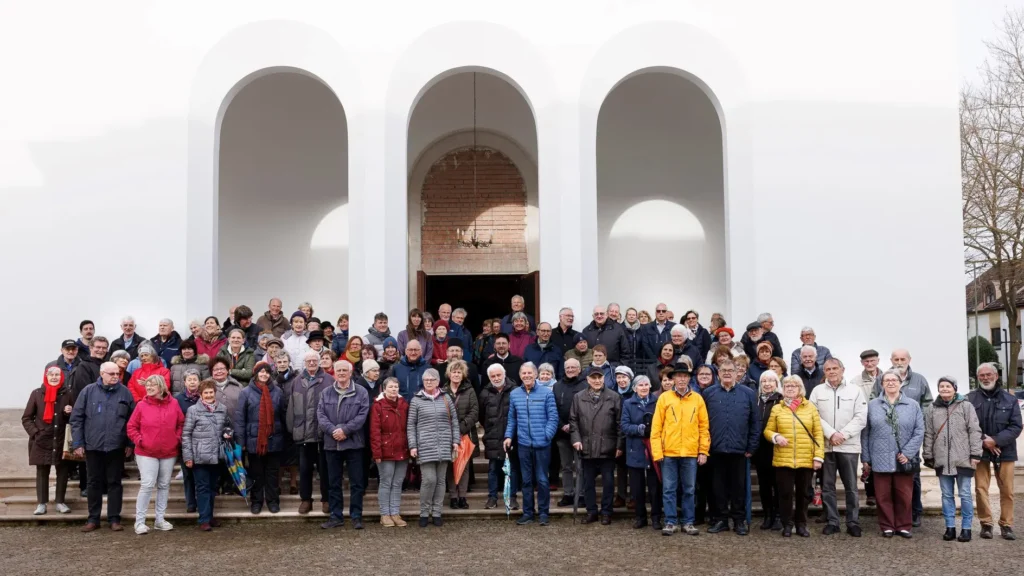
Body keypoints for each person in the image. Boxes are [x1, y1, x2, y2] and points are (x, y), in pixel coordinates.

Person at [70, 361, 136, 532]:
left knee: (115, 483)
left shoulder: (125, 393)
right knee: (93, 482)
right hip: (93, 446)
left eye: (118, 374)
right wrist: (78, 443)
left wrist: (130, 443)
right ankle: (93, 519)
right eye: (112, 374)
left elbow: (132, 421)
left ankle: (114, 518)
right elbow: (77, 418)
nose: (115, 377)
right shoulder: (88, 391)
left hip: (116, 446)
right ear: (102, 374)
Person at [808, 358, 867, 537]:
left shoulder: (855, 391)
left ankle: (853, 522)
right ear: (824, 371)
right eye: (828, 369)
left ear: (842, 370)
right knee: (827, 486)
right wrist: (831, 434)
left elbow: (861, 417)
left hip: (848, 446)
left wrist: (843, 435)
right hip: (826, 446)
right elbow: (813, 416)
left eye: (835, 368)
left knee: (851, 487)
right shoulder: (817, 391)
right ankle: (833, 521)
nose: (832, 371)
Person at [862, 369, 924, 538]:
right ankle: (887, 525)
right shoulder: (873, 405)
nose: (890, 383)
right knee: (883, 496)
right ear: (881, 384)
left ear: (900, 383)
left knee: (904, 495)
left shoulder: (912, 405)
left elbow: (919, 431)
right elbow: (866, 432)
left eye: (894, 380)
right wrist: (866, 458)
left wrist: (908, 453)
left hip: (903, 458)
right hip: (879, 456)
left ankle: (904, 525)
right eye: (886, 380)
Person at [873, 348, 932, 527]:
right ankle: (891, 519)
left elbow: (927, 403)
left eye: (903, 358)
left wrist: (916, 419)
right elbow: (875, 400)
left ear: (909, 359)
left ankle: (915, 512)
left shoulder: (919, 379)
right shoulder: (882, 379)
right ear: (891, 360)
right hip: (885, 439)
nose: (899, 361)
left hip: (910, 437)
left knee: (911, 477)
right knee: (888, 482)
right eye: (896, 359)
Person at [650, 363, 709, 536]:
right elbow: (656, 428)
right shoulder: (664, 398)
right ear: (673, 378)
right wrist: (657, 451)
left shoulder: (697, 399)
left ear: (689, 378)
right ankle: (670, 521)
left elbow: (704, 427)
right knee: (669, 489)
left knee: (689, 489)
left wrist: (703, 451)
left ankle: (688, 522)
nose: (682, 379)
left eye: (685, 376)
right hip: (669, 452)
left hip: (690, 453)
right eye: (679, 376)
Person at [703, 358, 759, 536]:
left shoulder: (749, 393)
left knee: (738, 488)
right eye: (723, 370)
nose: (727, 373)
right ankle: (721, 519)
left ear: (737, 373)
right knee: (717, 487)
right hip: (716, 449)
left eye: (730, 370)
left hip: (740, 449)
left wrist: (751, 446)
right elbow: (702, 423)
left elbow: (755, 423)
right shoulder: (709, 393)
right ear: (718, 373)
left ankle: (738, 520)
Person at [764, 374, 824, 537]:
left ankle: (802, 524)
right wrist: (776, 437)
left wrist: (818, 457)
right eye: (787, 386)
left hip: (805, 458)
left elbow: (818, 433)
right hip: (783, 458)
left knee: (803, 494)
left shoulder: (810, 407)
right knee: (784, 494)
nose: (790, 388)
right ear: (783, 389)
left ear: (800, 389)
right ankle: (787, 524)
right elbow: (767, 431)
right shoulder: (777, 408)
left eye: (793, 386)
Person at [968, 362, 1023, 540]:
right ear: (978, 378)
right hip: (980, 449)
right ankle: (986, 523)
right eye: (982, 375)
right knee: (981, 488)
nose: (985, 378)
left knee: (1007, 490)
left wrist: (996, 440)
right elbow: (967, 425)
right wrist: (985, 440)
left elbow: (1016, 426)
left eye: (989, 374)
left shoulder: (1010, 399)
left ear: (996, 376)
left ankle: (1006, 525)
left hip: (1005, 450)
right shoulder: (970, 399)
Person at [924, 376, 982, 542]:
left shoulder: (966, 406)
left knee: (964, 494)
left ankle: (966, 528)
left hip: (963, 458)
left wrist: (975, 454)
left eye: (948, 386)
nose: (944, 389)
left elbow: (974, 431)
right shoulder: (932, 408)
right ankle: (950, 527)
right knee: (946, 495)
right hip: (942, 459)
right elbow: (929, 433)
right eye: (941, 386)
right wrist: (928, 454)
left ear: (954, 388)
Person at [126, 375, 184, 535]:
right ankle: (140, 522)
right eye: (147, 385)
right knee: (147, 484)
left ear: (161, 387)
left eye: (153, 385)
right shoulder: (141, 405)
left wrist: (176, 438)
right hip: (146, 452)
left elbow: (181, 423)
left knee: (164, 485)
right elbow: (131, 427)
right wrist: (140, 440)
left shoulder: (174, 403)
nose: (149, 388)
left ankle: (160, 520)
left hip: (168, 452)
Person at [316, 360, 370, 529]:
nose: (340, 373)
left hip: (354, 444)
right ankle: (336, 516)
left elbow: (362, 415)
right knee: (333, 482)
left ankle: (356, 516)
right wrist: (334, 430)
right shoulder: (326, 392)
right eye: (338, 370)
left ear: (350, 372)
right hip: (332, 443)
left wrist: (345, 430)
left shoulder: (361, 392)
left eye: (344, 370)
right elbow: (321, 415)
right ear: (334, 372)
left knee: (356, 482)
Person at [504, 362, 558, 526]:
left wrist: (546, 435)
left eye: (529, 373)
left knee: (542, 480)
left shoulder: (546, 393)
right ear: (520, 375)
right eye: (524, 373)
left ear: (535, 374)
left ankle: (543, 513)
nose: (527, 376)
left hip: (542, 444)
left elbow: (553, 418)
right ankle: (528, 513)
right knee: (526, 480)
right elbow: (512, 418)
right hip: (523, 444)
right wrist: (508, 436)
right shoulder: (514, 394)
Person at [406, 368, 460, 527]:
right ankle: (424, 512)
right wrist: (413, 445)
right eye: (426, 380)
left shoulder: (446, 398)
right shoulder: (416, 400)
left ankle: (437, 512)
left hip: (444, 444)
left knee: (441, 480)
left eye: (432, 379)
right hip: (425, 445)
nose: (429, 382)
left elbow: (454, 422)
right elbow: (411, 425)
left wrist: (455, 441)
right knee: (429, 480)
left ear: (438, 382)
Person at [570, 365, 624, 525]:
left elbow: (620, 423)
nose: (597, 380)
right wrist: (576, 439)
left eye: (599, 377)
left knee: (608, 483)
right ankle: (591, 512)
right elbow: (573, 420)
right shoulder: (578, 397)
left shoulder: (613, 397)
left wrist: (620, 445)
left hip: (608, 447)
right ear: (587, 379)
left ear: (604, 378)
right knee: (588, 484)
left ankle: (606, 512)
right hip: (586, 448)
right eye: (593, 378)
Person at [235, 362, 287, 515]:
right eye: (261, 372)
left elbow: (283, 416)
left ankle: (272, 501)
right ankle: (256, 502)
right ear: (256, 373)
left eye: (267, 372)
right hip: (254, 440)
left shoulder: (277, 392)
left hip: (274, 438)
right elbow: (239, 419)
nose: (264, 374)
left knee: (272, 473)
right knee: (256, 473)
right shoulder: (245, 392)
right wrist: (241, 442)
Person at [23, 366, 76, 515]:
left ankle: (60, 502)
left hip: (60, 438)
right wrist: (35, 433)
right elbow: (27, 418)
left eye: (57, 375)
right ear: (46, 376)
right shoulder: (37, 393)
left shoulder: (68, 394)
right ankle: (42, 503)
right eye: (51, 374)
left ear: (62, 377)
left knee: (63, 470)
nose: (54, 377)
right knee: (42, 471)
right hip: (41, 439)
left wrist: (68, 413)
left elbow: (75, 417)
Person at [182, 379, 233, 531]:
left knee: (212, 488)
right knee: (202, 488)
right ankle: (204, 519)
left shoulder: (222, 409)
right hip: (200, 456)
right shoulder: (193, 410)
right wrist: (188, 457)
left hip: (217, 455)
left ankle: (209, 516)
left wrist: (228, 434)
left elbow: (228, 426)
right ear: (201, 394)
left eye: (211, 392)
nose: (209, 395)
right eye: (206, 393)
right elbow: (186, 434)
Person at [288, 351, 333, 515]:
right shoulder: (297, 381)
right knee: (305, 470)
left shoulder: (329, 380)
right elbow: (291, 408)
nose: (312, 363)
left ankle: (326, 500)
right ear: (304, 363)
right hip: (304, 434)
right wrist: (293, 429)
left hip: (323, 434)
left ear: (319, 362)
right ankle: (306, 500)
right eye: (309, 361)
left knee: (325, 470)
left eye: (315, 360)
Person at [621, 375, 663, 530]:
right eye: (640, 385)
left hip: (654, 449)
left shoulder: (657, 401)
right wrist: (639, 429)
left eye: (646, 384)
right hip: (635, 448)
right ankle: (640, 517)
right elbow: (624, 426)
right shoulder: (628, 403)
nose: (644, 387)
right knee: (637, 488)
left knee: (655, 488)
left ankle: (656, 517)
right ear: (634, 388)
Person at [370, 377, 410, 527]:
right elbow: (375, 431)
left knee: (398, 482)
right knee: (386, 482)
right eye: (391, 387)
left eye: (396, 387)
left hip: (402, 449)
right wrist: (377, 452)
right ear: (384, 389)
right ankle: (385, 514)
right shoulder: (378, 405)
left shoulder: (404, 405)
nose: (394, 390)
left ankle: (395, 512)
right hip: (386, 449)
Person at [479, 363, 520, 510]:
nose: (496, 378)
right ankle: (492, 498)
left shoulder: (515, 390)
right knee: (493, 469)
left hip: (512, 436)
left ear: (504, 374)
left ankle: (512, 497)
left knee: (512, 469)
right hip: (492, 436)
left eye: (498, 375)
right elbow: (482, 415)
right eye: (493, 376)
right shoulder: (485, 393)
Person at [443, 360, 479, 509]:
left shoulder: (470, 390)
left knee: (463, 467)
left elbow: (474, 412)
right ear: (449, 374)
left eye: (459, 372)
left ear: (463, 374)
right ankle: (453, 496)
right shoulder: (443, 391)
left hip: (465, 434)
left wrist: (461, 428)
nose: (456, 374)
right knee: (451, 467)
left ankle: (462, 496)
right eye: (454, 371)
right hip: (448, 435)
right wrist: (452, 430)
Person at [553, 358, 586, 507]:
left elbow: (587, 410)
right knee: (566, 466)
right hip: (562, 433)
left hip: (581, 432)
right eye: (568, 367)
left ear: (579, 369)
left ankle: (581, 494)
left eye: (574, 367)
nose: (571, 370)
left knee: (580, 466)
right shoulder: (557, 386)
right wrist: (562, 425)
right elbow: (552, 409)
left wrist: (574, 426)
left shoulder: (586, 385)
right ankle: (568, 493)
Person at [754, 370, 783, 530]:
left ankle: (778, 515)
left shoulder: (782, 400)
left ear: (776, 383)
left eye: (771, 380)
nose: (767, 384)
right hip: (760, 450)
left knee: (777, 484)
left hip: (777, 448)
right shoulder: (756, 400)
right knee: (764, 485)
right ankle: (767, 515)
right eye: (764, 381)